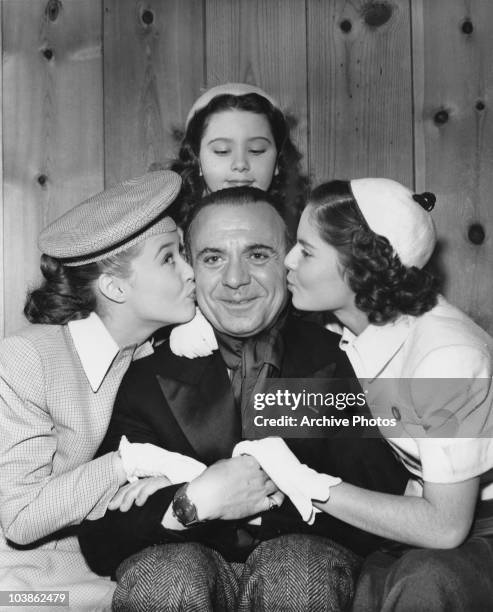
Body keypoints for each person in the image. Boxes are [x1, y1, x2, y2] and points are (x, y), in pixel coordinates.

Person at [79, 187, 409, 611]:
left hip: (308, 565)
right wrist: (189, 504)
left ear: (289, 262)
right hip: (182, 560)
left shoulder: (345, 358)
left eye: (257, 255)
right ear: (189, 268)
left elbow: (389, 508)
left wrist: (254, 498)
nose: (235, 279)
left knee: (297, 568)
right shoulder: (143, 370)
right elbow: (100, 538)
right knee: (166, 576)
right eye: (213, 258)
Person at [238, 177, 493, 610]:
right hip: (424, 519)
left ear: (360, 267)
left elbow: (446, 527)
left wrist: (307, 483)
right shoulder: (351, 322)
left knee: (421, 588)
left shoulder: (446, 358)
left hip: (472, 531)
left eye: (307, 250)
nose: (289, 261)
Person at [0, 171, 197, 610]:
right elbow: (20, 518)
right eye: (169, 258)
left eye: (184, 253)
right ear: (114, 287)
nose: (191, 272)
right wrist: (131, 462)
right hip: (24, 588)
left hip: (111, 576)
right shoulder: (27, 359)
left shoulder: (146, 354)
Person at [169, 82, 309, 232]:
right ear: (197, 159)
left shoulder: (304, 235)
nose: (240, 164)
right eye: (222, 151)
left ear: (277, 162)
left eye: (257, 150)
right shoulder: (172, 239)